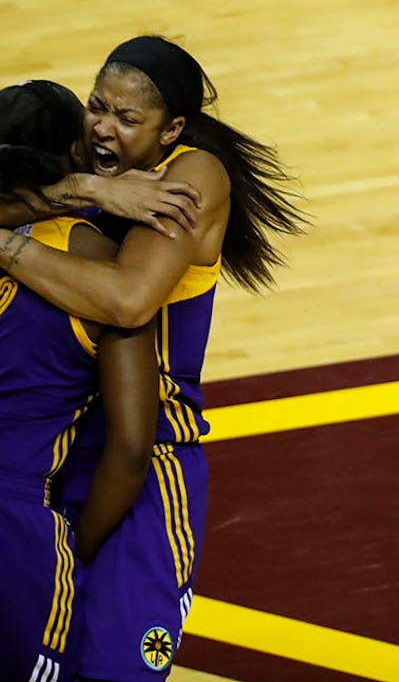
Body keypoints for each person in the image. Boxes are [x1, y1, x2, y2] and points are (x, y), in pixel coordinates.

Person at [0, 37, 307, 679]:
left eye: (127, 119)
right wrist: (80, 187)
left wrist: (9, 247)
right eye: (96, 107)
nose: (103, 128)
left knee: (111, 667)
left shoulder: (195, 177)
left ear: (171, 130)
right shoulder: (86, 158)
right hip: (66, 446)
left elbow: (130, 302)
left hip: (150, 452)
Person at [0, 80, 158, 682]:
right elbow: (131, 443)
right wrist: (80, 545)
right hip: (19, 526)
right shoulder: (99, 262)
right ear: (74, 152)